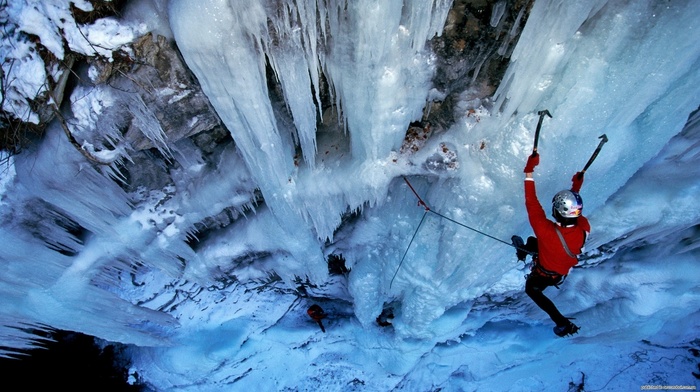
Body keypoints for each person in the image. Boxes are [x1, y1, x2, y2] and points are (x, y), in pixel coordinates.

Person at [513, 152, 590, 337]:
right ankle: (524, 251)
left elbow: (532, 202)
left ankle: (562, 322)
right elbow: (572, 213)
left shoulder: (546, 230)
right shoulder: (583, 228)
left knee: (531, 289)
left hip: (544, 272)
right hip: (556, 273)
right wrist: (575, 190)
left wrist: (529, 170)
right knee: (534, 242)